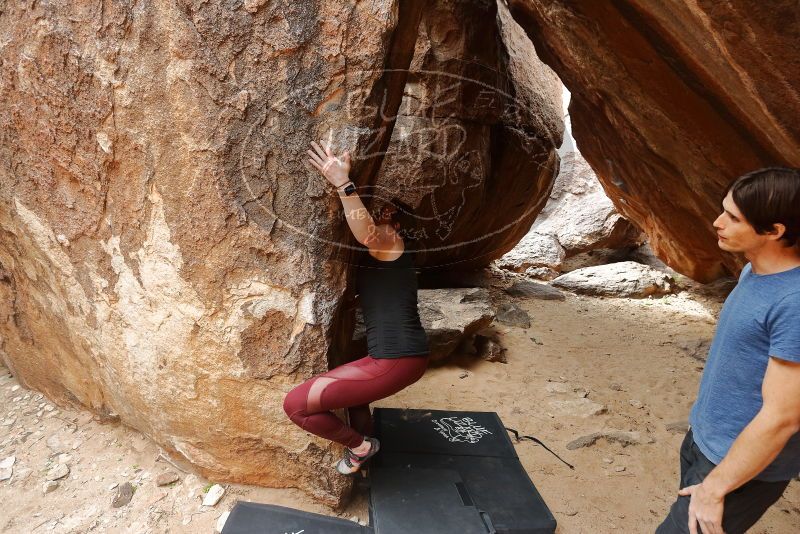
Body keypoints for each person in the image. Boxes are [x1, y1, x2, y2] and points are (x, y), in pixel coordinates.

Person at [656, 167, 800, 534]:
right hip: (705, 441)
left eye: (733, 217)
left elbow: (783, 416)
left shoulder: (794, 303)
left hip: (739, 468)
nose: (717, 222)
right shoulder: (756, 271)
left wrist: (716, 487)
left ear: (775, 231)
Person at [283, 140, 430, 475]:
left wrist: (342, 183)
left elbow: (367, 235)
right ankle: (371, 469)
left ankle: (361, 448)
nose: (378, 214)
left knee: (295, 406)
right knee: (352, 394)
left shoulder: (392, 243)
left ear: (396, 221)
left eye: (384, 212)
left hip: (396, 359)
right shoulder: (389, 254)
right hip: (396, 357)